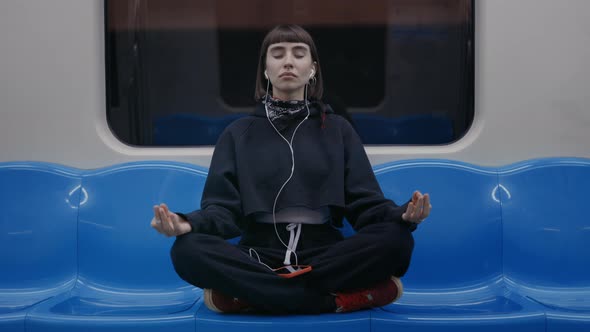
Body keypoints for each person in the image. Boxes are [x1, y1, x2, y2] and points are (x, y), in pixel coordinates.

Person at [151, 24, 431, 315]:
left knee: (396, 240)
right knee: (187, 250)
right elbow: (223, 211)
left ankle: (253, 297)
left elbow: (365, 204)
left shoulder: (338, 130)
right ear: (265, 70)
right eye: (277, 53)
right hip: (258, 254)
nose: (288, 61)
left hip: (324, 254)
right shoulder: (237, 134)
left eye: (299, 54)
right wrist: (188, 223)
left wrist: (403, 215)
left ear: (312, 70)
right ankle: (332, 301)